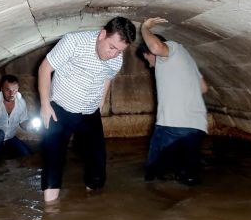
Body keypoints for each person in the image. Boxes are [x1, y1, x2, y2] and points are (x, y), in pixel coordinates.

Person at [38, 16, 136, 202]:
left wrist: (101, 102)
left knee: (98, 165)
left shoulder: (116, 57)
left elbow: (108, 76)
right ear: (102, 35)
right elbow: (45, 68)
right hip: (61, 111)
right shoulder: (73, 42)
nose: (113, 54)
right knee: (53, 161)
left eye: (120, 51)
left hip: (90, 113)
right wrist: (45, 104)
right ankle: (50, 212)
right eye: (112, 47)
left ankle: (93, 205)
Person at [138, 17, 208, 185]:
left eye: (146, 58)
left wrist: (145, 27)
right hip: (197, 127)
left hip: (171, 125)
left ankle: (153, 204)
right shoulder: (187, 60)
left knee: (152, 175)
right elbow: (204, 88)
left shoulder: (173, 48)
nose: (149, 64)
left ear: (150, 53)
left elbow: (156, 47)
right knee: (187, 176)